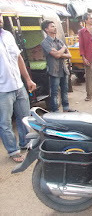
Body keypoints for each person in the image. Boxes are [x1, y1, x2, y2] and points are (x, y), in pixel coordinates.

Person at [0, 12, 36, 162]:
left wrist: (27, 79)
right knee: (5, 122)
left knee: (24, 117)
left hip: (18, 85)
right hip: (2, 89)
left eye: (0, 17)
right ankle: (13, 151)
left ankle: (25, 142)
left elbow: (18, 57)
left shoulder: (8, 35)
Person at [41, 20, 76, 113]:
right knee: (55, 93)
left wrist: (59, 53)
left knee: (64, 91)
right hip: (54, 70)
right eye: (52, 26)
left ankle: (66, 108)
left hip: (63, 69)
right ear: (46, 29)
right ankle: (55, 111)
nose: (55, 27)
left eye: (54, 26)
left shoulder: (59, 41)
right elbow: (56, 55)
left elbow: (69, 55)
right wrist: (63, 49)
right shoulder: (45, 43)